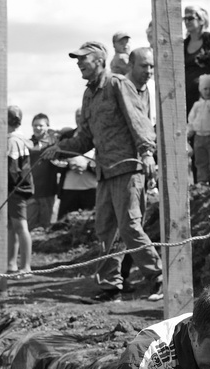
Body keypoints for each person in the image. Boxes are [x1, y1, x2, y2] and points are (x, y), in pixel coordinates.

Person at [42, 41, 163, 303]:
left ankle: (159, 277)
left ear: (99, 61)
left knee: (130, 226)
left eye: (83, 59)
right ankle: (111, 288)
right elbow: (85, 138)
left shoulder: (118, 84)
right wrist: (59, 149)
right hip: (105, 172)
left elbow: (138, 121)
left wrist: (146, 152)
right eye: (77, 60)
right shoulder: (89, 95)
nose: (79, 64)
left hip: (128, 168)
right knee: (106, 230)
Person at [52, 110, 97, 222]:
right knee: (63, 223)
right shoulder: (67, 136)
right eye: (77, 116)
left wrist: (87, 166)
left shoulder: (97, 135)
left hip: (91, 188)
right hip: (69, 189)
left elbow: (104, 160)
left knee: (91, 223)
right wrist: (70, 164)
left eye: (82, 115)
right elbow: (56, 159)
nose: (79, 118)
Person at [7, 106, 33, 274]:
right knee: (11, 226)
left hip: (16, 189)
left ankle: (25, 266)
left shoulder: (12, 141)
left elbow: (12, 168)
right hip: (16, 188)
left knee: (21, 227)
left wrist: (8, 186)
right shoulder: (21, 139)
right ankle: (11, 264)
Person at [188, 74, 210, 184]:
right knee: (200, 160)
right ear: (200, 90)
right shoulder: (197, 105)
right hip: (199, 136)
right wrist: (189, 132)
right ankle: (202, 179)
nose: (208, 92)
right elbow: (191, 119)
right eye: (205, 89)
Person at [26, 113, 58, 231]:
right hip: (31, 192)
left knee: (47, 226)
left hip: (48, 191)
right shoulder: (27, 144)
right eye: (35, 125)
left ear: (47, 126)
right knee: (29, 225)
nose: (37, 128)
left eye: (41, 125)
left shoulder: (53, 144)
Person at [183, 5, 210, 114]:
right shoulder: (183, 44)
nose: (187, 22)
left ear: (201, 20)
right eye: (185, 19)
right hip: (186, 95)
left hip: (207, 95)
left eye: (190, 18)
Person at [126, 47, 155, 119]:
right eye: (144, 66)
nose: (148, 71)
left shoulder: (154, 89)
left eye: (151, 67)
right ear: (131, 65)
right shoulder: (118, 89)